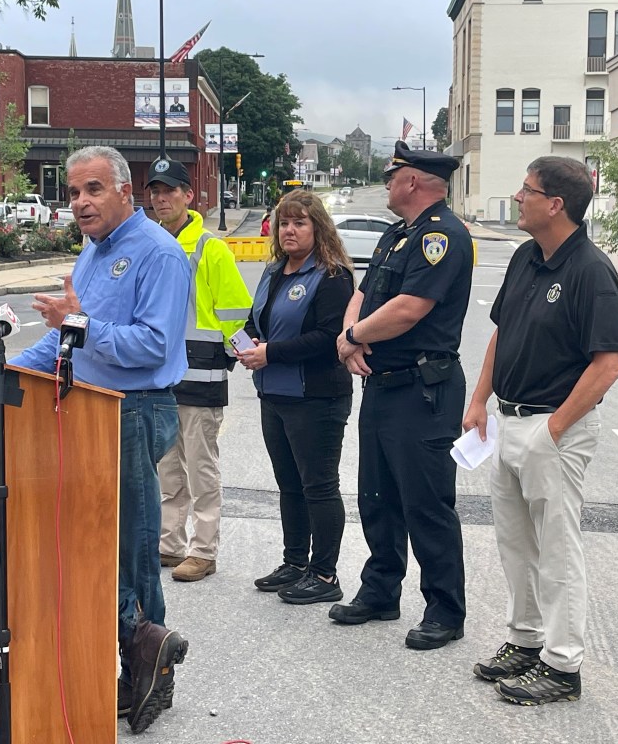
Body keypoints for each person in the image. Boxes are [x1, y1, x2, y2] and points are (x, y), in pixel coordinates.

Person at [8, 146, 191, 734]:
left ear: (124, 191)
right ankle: (122, 663)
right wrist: (1, 371)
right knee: (96, 548)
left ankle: (151, 671)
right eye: (73, 193)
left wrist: (78, 326)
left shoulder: (159, 254)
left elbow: (152, 347)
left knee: (133, 551)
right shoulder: (91, 252)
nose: (80, 203)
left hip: (135, 412)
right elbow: (64, 342)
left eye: (92, 190)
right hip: (87, 410)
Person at [462, 156, 618, 705]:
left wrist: (552, 430)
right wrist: (480, 397)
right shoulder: (526, 258)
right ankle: (527, 640)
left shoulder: (590, 271)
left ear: (555, 204)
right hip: (508, 420)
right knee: (516, 545)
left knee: (557, 550)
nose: (517, 197)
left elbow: (607, 365)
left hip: (554, 429)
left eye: (527, 190)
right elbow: (502, 333)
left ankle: (562, 666)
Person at [331, 141, 472, 650]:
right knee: (378, 496)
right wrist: (351, 339)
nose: (388, 184)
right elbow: (364, 295)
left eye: (393, 177)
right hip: (383, 386)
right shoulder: (398, 234)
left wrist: (353, 338)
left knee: (426, 504)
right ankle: (381, 591)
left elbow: (410, 308)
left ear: (413, 181)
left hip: (423, 389)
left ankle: (444, 610)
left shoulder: (442, 237)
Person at [237, 190, 355, 605]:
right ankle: (294, 561)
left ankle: (324, 574)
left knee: (318, 486)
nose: (289, 230)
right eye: (284, 223)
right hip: (274, 395)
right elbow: (258, 321)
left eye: (299, 222)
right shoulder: (273, 272)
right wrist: (250, 341)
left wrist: (271, 352)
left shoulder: (333, 276)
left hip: (317, 397)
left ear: (317, 227)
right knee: (289, 484)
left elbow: (328, 339)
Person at [148, 157, 252, 583]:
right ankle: (170, 544)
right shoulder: (151, 244)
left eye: (169, 190)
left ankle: (203, 551)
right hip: (160, 378)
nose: (160, 199)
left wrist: (236, 353)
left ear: (189, 196)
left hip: (202, 376)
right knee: (167, 471)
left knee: (201, 469)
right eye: (154, 191)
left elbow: (236, 310)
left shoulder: (210, 248)